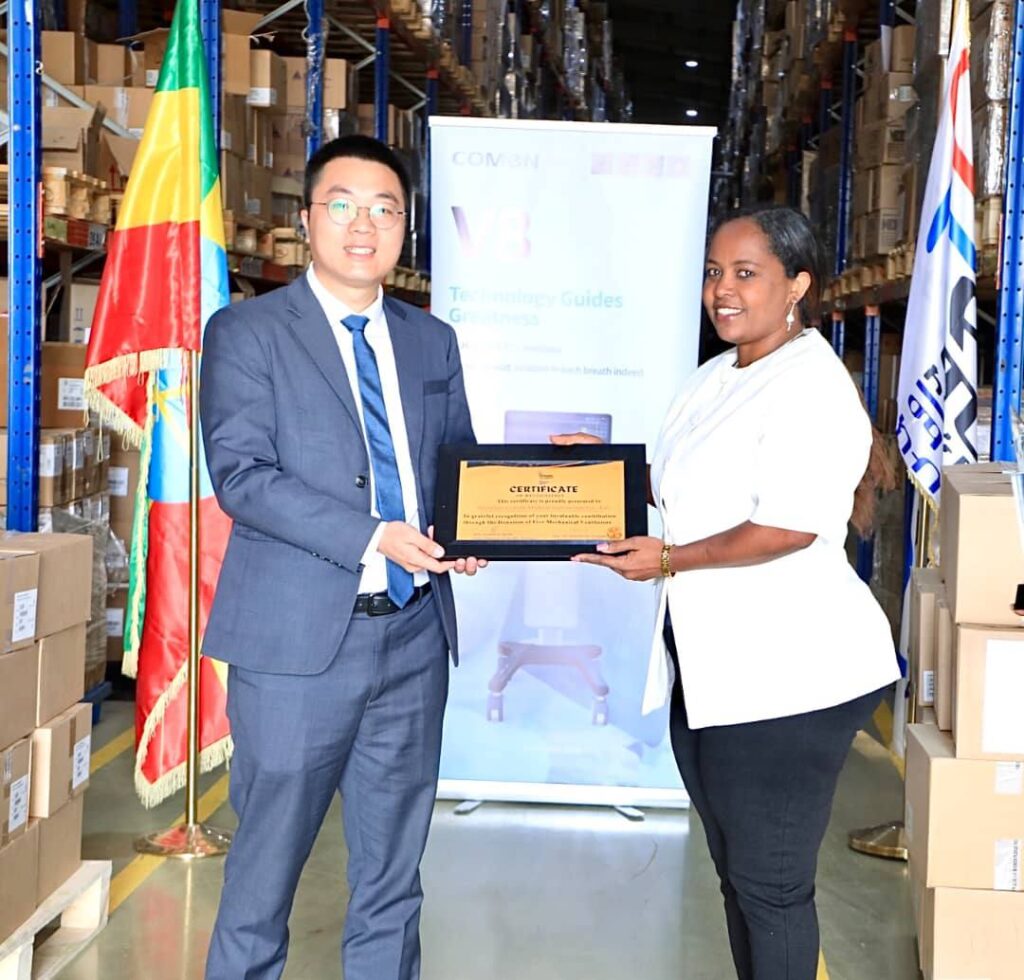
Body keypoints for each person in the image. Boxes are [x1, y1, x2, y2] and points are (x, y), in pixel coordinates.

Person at [559, 205, 900, 979]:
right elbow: (693, 483)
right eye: (715, 272)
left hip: (790, 678)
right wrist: (605, 468)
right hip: (715, 671)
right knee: (739, 877)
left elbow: (789, 526)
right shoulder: (720, 373)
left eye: (746, 273)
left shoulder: (810, 384)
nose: (723, 290)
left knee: (770, 886)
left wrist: (669, 559)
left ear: (797, 285)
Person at [200, 134, 483, 980]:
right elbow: (243, 476)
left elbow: (456, 464)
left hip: (413, 637)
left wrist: (471, 533)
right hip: (296, 648)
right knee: (262, 880)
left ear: (405, 227)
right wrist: (372, 535)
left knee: (393, 880)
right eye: (344, 206)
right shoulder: (248, 332)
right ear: (307, 220)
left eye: (385, 210)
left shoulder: (432, 341)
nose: (365, 226)